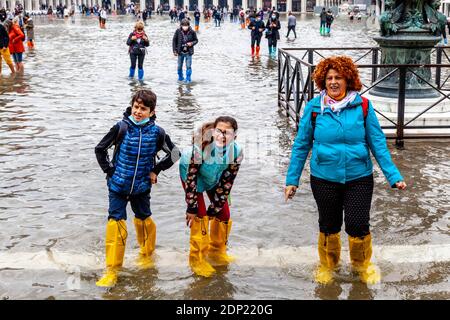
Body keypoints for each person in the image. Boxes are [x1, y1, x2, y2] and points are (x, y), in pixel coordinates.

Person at [285, 56, 407, 286]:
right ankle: (328, 266)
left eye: (338, 77)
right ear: (323, 81)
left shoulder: (363, 106)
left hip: (358, 176)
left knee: (358, 223)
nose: (333, 82)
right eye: (329, 78)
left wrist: (393, 175)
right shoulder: (313, 108)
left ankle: (362, 265)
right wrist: (292, 180)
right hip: (323, 177)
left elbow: (377, 142)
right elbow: (301, 145)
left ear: (348, 79)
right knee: (328, 224)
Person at [94, 89, 180, 287]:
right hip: (117, 186)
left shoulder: (158, 132)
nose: (138, 111)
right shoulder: (121, 127)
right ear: (131, 106)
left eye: (143, 109)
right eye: (136, 107)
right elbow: (100, 149)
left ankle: (147, 256)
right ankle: (112, 269)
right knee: (116, 223)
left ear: (152, 111)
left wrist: (156, 171)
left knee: (144, 219)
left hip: (141, 187)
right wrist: (109, 170)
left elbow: (175, 154)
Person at [180, 116, 243, 277]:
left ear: (234, 136)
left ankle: (217, 251)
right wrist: (191, 206)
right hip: (191, 174)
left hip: (213, 177)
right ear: (213, 132)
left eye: (227, 133)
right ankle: (197, 259)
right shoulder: (202, 147)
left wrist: (214, 208)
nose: (222, 135)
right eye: (219, 131)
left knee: (223, 213)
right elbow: (191, 177)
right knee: (199, 215)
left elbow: (227, 181)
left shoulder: (237, 152)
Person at [172, 18, 198, 83]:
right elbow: (174, 41)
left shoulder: (192, 32)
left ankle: (188, 78)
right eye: (183, 25)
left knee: (188, 66)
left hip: (189, 52)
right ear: (181, 25)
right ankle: (180, 78)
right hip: (180, 52)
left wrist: (191, 43)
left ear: (189, 25)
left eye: (186, 25)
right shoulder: (178, 31)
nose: (185, 27)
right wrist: (174, 50)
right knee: (179, 66)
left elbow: (196, 40)